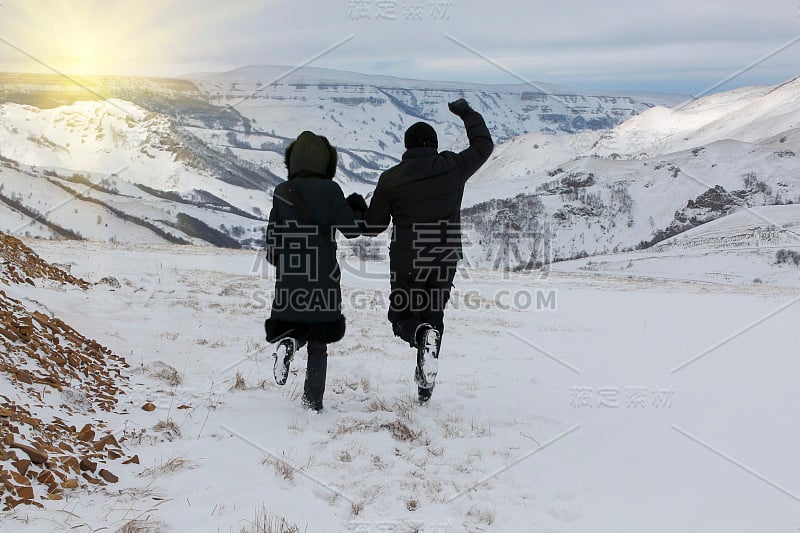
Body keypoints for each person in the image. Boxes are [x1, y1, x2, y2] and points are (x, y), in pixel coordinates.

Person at [349, 99, 494, 404]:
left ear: (407, 146)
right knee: (434, 318)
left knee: (403, 317)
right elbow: (483, 145)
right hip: (444, 258)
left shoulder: (391, 178)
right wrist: (467, 113)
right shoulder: (453, 166)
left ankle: (418, 337)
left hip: (408, 260)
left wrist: (358, 207)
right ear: (434, 144)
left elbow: (373, 226)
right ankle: (425, 389)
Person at [265, 131, 363, 412]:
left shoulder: (283, 191)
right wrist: (356, 207)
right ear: (325, 161)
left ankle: (289, 343)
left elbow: (273, 244)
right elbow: (353, 230)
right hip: (323, 276)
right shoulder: (331, 191)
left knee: (295, 324)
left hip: (290, 275)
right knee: (319, 342)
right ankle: (312, 403)